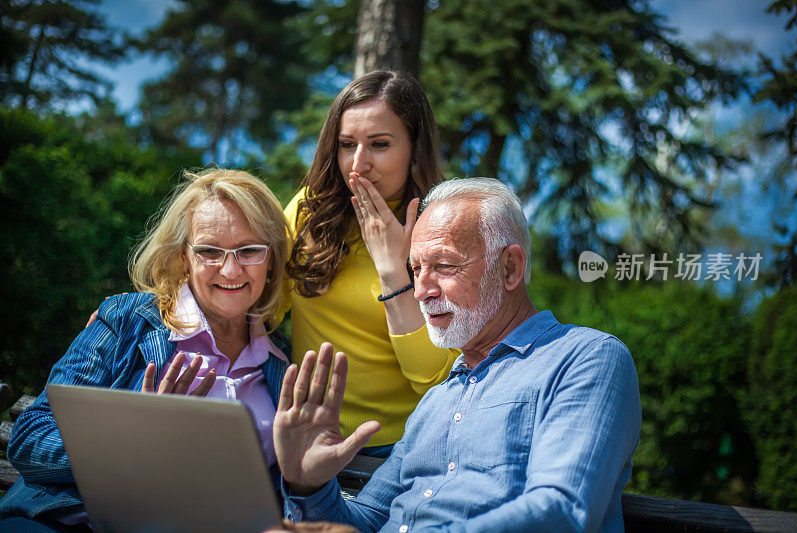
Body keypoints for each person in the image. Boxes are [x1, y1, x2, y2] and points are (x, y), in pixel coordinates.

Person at [273, 178, 642, 532]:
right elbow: (366, 522)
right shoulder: (435, 401)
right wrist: (309, 485)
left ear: (510, 268)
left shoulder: (586, 359)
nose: (420, 291)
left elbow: (560, 513)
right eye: (415, 269)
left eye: (445, 266)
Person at [0, 169, 291, 531]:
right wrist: (134, 448)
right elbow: (31, 437)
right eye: (209, 251)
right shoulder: (127, 319)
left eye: (249, 250)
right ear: (184, 256)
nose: (230, 269)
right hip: (66, 521)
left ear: (271, 257)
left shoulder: (281, 360)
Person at [281, 70, 459, 456]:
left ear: (415, 145)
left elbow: (433, 379)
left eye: (379, 144)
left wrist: (394, 268)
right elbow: (258, 311)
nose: (358, 164)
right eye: (347, 144)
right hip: (308, 436)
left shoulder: (443, 226)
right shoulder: (306, 212)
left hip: (405, 447)